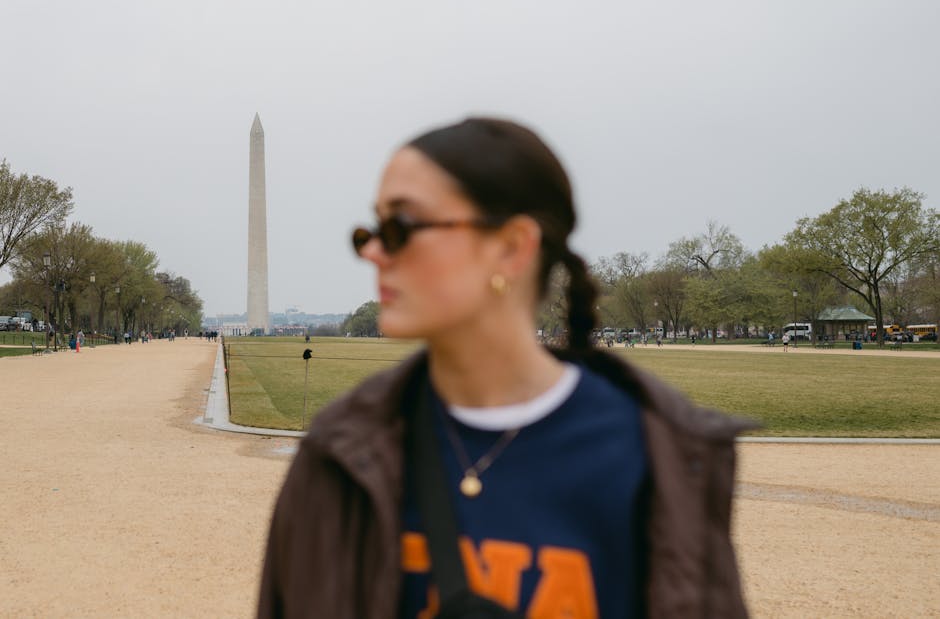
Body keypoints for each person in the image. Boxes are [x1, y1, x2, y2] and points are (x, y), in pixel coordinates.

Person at [258, 118, 752, 618]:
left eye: (400, 227)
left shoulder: (659, 456)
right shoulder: (337, 453)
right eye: (370, 229)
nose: (371, 251)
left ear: (513, 247)